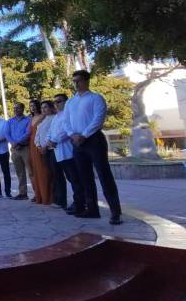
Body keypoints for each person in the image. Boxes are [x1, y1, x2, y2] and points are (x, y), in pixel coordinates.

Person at [63, 70, 123, 225]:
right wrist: (72, 135)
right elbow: (65, 121)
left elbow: (98, 119)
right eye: (74, 81)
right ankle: (92, 209)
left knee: (104, 176)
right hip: (76, 142)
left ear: (87, 81)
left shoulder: (96, 98)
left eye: (79, 80)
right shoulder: (70, 102)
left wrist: (84, 134)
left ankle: (115, 212)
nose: (76, 84)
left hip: (93, 141)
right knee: (85, 178)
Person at [48, 93, 86, 214]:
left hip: (68, 152)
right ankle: (78, 201)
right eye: (55, 102)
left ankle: (80, 203)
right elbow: (50, 131)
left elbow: (66, 131)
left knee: (75, 179)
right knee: (70, 178)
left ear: (66, 102)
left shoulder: (69, 115)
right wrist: (49, 141)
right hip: (58, 152)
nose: (56, 104)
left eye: (59, 101)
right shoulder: (56, 117)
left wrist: (55, 140)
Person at [6, 102, 32, 200]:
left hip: (25, 148)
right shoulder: (10, 121)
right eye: (14, 108)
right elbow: (6, 133)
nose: (16, 110)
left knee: (31, 171)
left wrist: (18, 142)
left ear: (23, 109)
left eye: (18, 108)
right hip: (15, 150)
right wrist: (13, 143)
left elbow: (28, 133)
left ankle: (37, 193)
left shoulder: (28, 120)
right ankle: (23, 193)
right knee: (19, 172)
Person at [30, 100, 53, 205]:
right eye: (42, 107)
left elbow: (51, 133)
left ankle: (49, 197)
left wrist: (44, 146)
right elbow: (37, 135)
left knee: (46, 172)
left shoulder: (52, 118)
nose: (43, 109)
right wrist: (38, 145)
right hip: (37, 147)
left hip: (48, 148)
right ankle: (40, 196)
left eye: (45, 107)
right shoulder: (41, 120)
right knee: (36, 172)